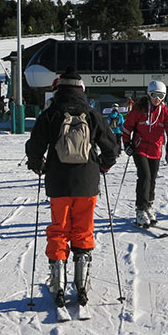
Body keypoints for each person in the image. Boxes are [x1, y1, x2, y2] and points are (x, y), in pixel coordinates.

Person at [25, 68, 118, 308]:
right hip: (87, 183)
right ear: (81, 89)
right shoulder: (91, 113)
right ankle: (82, 282)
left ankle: (57, 282)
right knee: (84, 228)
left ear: (59, 88)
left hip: (58, 182)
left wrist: (38, 165)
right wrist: (103, 167)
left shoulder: (52, 113)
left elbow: (35, 145)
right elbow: (111, 147)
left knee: (59, 229)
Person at [122, 81, 168, 227]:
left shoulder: (165, 112)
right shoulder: (139, 110)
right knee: (145, 176)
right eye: (154, 95)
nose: (157, 99)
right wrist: (127, 143)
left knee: (152, 179)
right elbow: (127, 127)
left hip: (155, 149)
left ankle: (148, 205)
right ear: (148, 94)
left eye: (160, 96)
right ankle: (140, 209)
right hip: (139, 148)